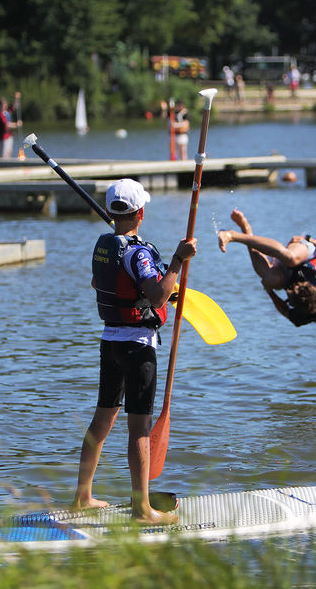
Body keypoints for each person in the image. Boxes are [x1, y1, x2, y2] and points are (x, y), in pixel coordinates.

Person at [72, 178, 197, 525]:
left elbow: (100, 283)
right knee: (139, 429)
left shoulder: (106, 246)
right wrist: (177, 260)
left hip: (110, 342)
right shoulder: (138, 253)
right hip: (137, 347)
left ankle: (82, 496)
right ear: (140, 213)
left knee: (101, 421)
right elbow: (157, 297)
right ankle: (142, 510)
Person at [217, 209, 316, 326]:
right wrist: (309, 239)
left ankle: (246, 230)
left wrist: (270, 292)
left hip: (289, 272)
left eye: (293, 290)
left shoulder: (301, 317)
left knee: (270, 280)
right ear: (313, 288)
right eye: (297, 288)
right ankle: (232, 236)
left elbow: (285, 310)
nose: (294, 287)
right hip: (305, 255)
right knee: (291, 259)